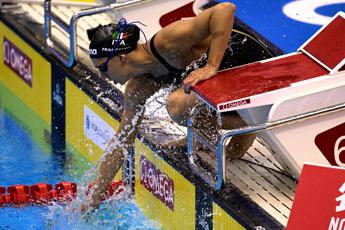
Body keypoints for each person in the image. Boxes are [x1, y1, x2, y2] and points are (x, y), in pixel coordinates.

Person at [82, 2, 273, 212]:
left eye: (103, 68)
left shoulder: (168, 41)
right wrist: (94, 196)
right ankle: (250, 120)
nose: (102, 76)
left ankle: (260, 119)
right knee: (234, 153)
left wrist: (211, 66)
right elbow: (121, 141)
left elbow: (225, 9)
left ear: (121, 57)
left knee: (177, 105)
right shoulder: (139, 86)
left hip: (256, 67)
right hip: (232, 88)